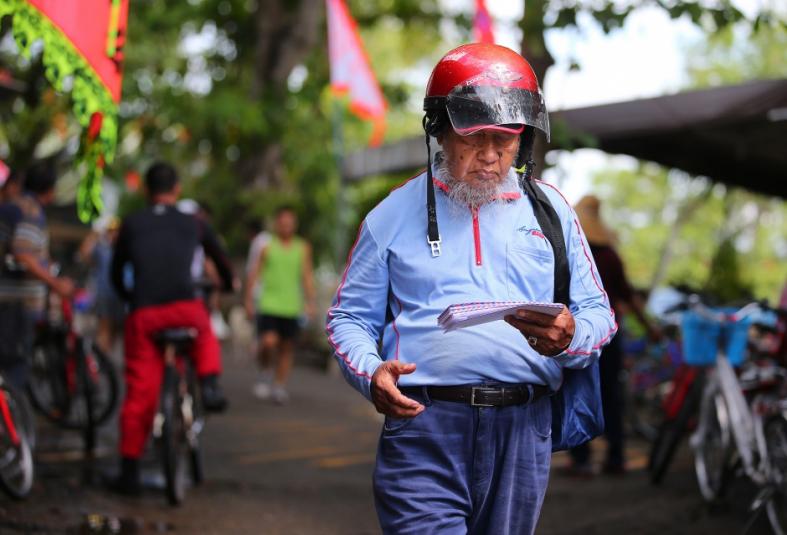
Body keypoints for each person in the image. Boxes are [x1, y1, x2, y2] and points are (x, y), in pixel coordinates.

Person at [325, 43, 616, 534]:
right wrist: (372, 372)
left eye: (506, 139)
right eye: (474, 136)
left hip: (526, 430)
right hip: (424, 426)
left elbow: (598, 315)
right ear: (438, 131)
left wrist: (570, 336)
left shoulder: (552, 212)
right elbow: (348, 319)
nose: (490, 155)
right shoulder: (390, 216)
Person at [109, 162, 235, 495]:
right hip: (184, 309)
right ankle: (209, 384)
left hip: (145, 313)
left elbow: (117, 270)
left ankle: (129, 472)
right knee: (204, 333)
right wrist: (229, 284)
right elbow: (221, 259)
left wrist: (130, 299)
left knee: (140, 392)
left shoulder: (132, 223)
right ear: (176, 189)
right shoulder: (194, 222)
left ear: (146, 191)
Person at [566, 195, 661, 476]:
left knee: (576, 392)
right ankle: (615, 457)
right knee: (611, 396)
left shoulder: (572, 253)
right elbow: (629, 297)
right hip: (608, 334)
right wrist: (650, 328)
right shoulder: (610, 257)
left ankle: (581, 459)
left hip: (575, 335)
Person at [0, 163, 74, 389]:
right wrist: (54, 282)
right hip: (16, 301)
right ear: (50, 190)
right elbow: (23, 254)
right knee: (15, 364)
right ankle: (10, 421)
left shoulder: (11, 206)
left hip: (7, 298)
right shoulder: (30, 211)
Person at [244, 206, 315, 404]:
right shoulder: (267, 247)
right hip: (269, 304)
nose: (286, 226)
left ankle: (279, 385)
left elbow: (307, 276)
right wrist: (248, 300)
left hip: (292, 305)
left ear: (294, 225)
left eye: (289, 223)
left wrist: (310, 302)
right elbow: (254, 274)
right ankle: (265, 370)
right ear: (277, 224)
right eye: (282, 223)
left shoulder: (302, 247)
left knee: (286, 348)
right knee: (268, 342)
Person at [77, 216, 125, 356]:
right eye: (111, 231)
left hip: (120, 295)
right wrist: (94, 234)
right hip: (104, 293)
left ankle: (107, 357)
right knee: (104, 327)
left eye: (116, 231)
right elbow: (84, 253)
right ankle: (101, 357)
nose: (114, 234)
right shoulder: (101, 249)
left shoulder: (123, 248)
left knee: (116, 329)